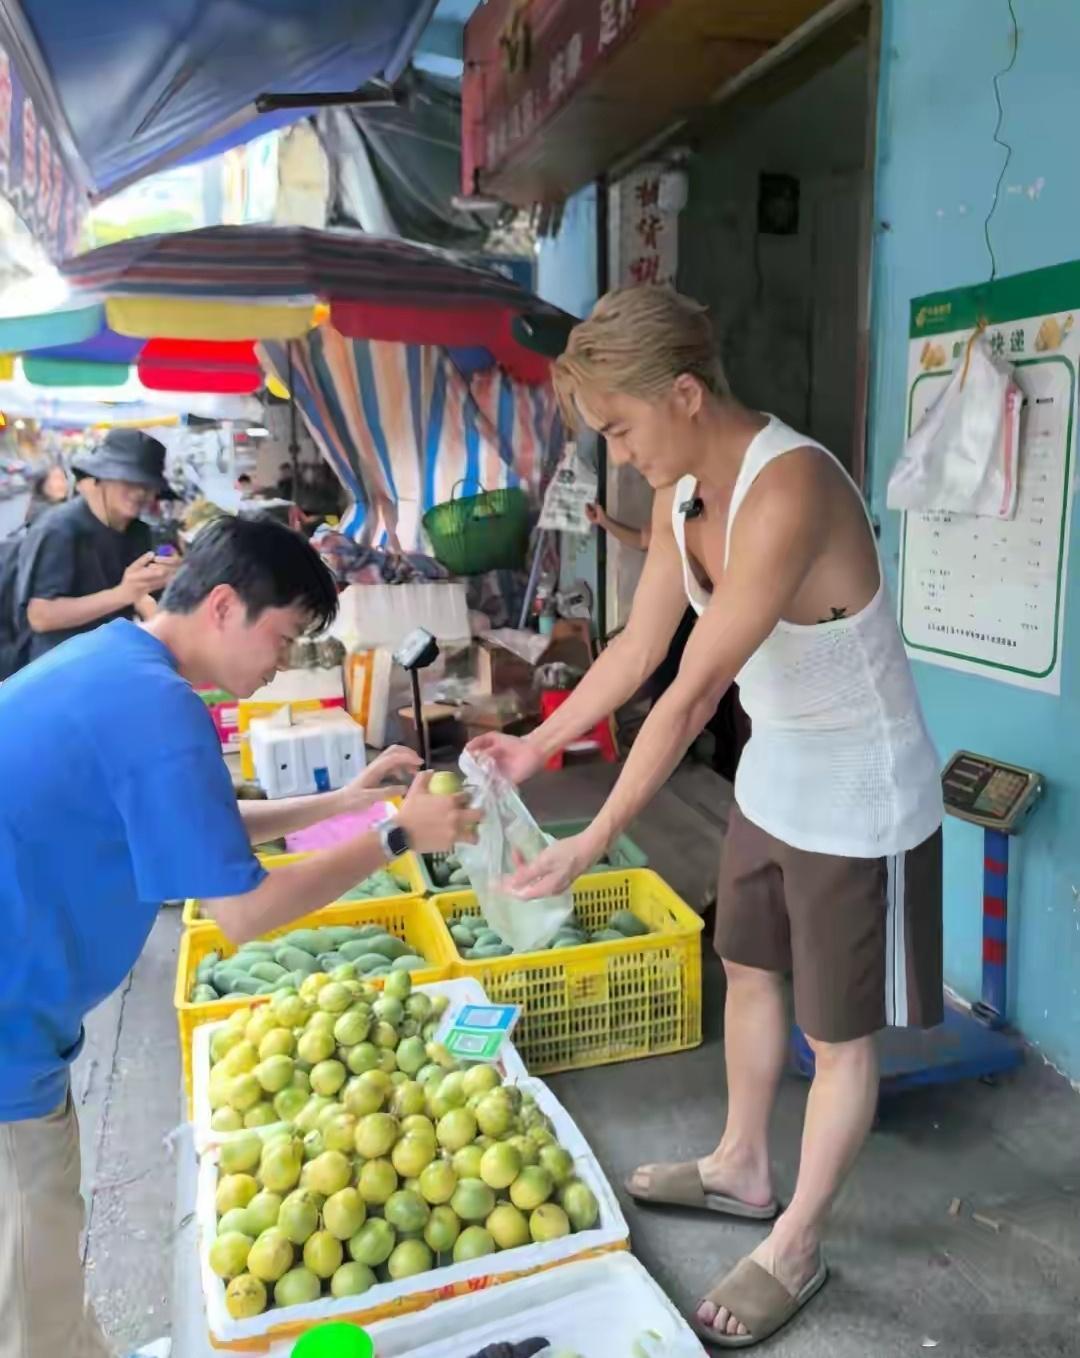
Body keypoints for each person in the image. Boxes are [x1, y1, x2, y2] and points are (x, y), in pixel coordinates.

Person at [469, 286, 943, 1348]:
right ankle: (741, 1162)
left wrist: (592, 834)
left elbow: (688, 692)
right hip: (777, 779)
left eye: (622, 426)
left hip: (861, 797)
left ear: (685, 392)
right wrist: (538, 745)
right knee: (749, 969)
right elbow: (638, 652)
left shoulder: (791, 487)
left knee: (839, 1028)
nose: (618, 450)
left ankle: (798, 1238)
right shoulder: (683, 489)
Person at [0, 512, 478, 1358]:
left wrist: (353, 801)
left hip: (25, 1009)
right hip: (8, 1032)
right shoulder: (157, 705)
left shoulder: (120, 664)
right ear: (223, 606)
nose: (281, 666)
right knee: (27, 1291)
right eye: (285, 638)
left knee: (44, 1277)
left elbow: (206, 824)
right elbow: (245, 912)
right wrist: (398, 838)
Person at [587, 501, 750, 783]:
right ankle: (676, 754)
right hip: (693, 615)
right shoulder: (685, 517)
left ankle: (729, 769)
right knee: (671, 681)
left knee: (728, 705)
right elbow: (642, 539)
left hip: (733, 622)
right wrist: (604, 522)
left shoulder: (743, 522)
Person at [13, 429, 181, 669]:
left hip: (108, 662)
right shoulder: (60, 529)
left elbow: (147, 601)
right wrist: (122, 594)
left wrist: (177, 579)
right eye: (129, 481)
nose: (140, 493)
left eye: (147, 485)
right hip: (59, 671)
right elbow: (40, 616)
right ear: (102, 478)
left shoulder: (140, 532)